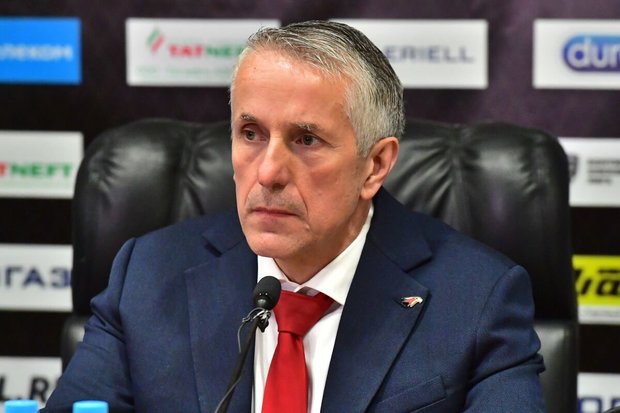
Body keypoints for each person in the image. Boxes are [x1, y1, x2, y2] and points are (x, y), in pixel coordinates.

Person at [44, 20, 546, 412]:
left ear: (375, 165)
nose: (268, 172)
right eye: (251, 134)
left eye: (306, 140)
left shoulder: (477, 299)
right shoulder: (148, 278)